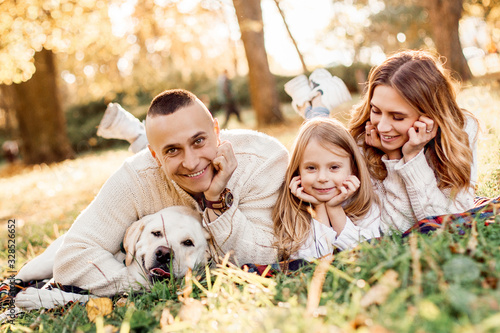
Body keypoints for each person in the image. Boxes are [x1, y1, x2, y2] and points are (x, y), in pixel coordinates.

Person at [53, 89, 288, 296]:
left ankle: (136, 133)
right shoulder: (135, 177)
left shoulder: (264, 160)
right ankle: (139, 137)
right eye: (173, 150)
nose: (192, 162)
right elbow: (70, 259)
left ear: (217, 131)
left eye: (198, 141)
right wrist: (148, 280)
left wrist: (218, 201)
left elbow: (266, 257)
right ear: (155, 156)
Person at [285, 50, 479, 233]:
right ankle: (316, 105)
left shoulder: (462, 130)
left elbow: (448, 224)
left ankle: (315, 103)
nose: (382, 127)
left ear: (429, 115)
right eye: (376, 111)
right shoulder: (366, 138)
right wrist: (393, 158)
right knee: (319, 140)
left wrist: (412, 156)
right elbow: (391, 228)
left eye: (397, 117)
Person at [272, 117, 382, 261]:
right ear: (298, 171)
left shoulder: (366, 205)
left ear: (353, 169)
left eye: (334, 167)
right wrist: (319, 210)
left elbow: (366, 253)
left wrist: (334, 209)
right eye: (311, 168)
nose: (322, 178)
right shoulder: (293, 213)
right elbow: (312, 262)